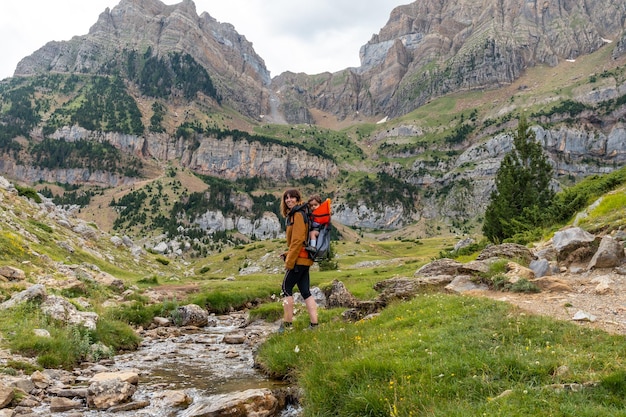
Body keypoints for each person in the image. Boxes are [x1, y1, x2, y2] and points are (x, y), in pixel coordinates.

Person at [278, 188, 318, 333]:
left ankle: (287, 326)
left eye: (292, 197)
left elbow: (298, 240)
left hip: (298, 260)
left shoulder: (298, 214)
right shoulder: (300, 212)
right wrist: (288, 252)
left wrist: (289, 261)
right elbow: (300, 241)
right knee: (305, 291)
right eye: (286, 198)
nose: (289, 200)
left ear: (297, 198)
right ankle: (315, 325)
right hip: (304, 258)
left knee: (285, 289)